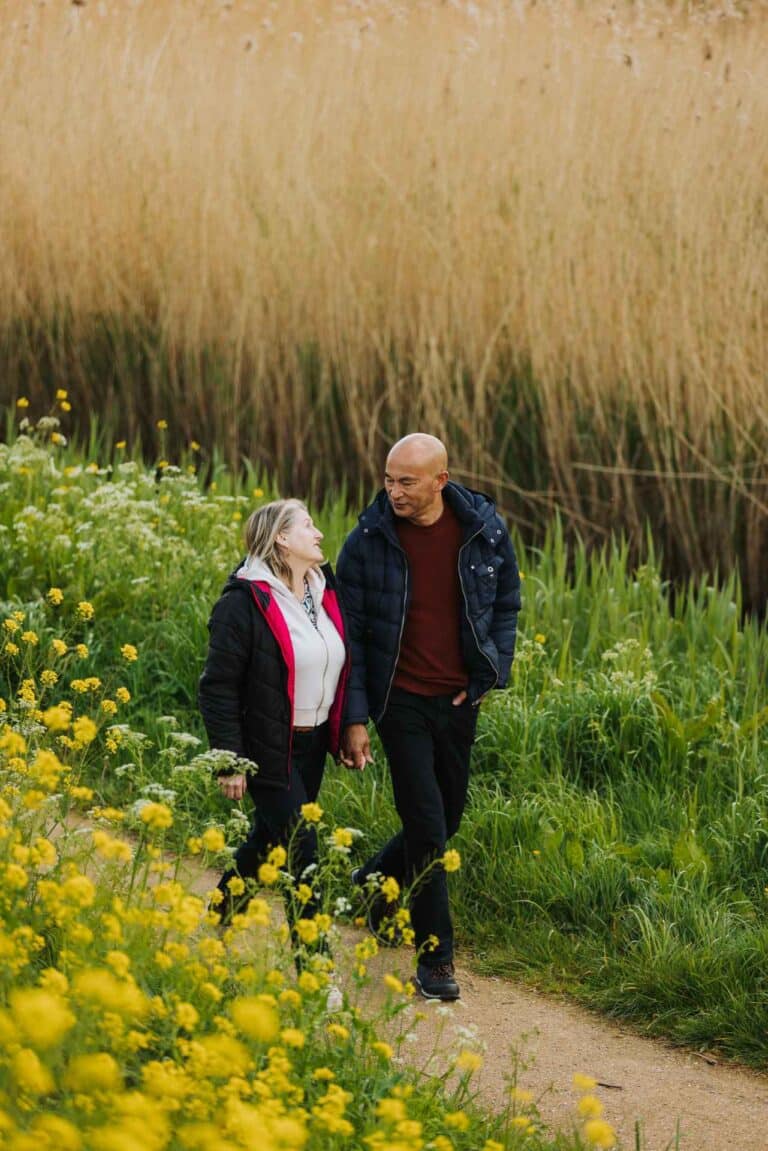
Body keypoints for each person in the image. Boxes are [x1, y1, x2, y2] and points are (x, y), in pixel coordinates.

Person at [337, 433, 521, 1001]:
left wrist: (489, 675)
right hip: (401, 703)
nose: (393, 491)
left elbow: (507, 603)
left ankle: (371, 884)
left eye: (407, 482)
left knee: (449, 816)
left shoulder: (483, 530)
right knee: (425, 825)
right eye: (389, 479)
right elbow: (353, 637)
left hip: (458, 699)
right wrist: (356, 717)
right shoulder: (368, 541)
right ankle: (435, 959)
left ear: (440, 480)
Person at [198, 498, 349, 962]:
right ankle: (314, 967)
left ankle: (220, 913)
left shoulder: (324, 590)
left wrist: (345, 729)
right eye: (308, 525)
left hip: (313, 742)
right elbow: (217, 686)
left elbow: (338, 661)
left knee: (268, 840)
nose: (319, 533)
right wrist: (229, 760)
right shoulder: (244, 602)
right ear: (281, 539)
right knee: (303, 848)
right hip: (268, 747)